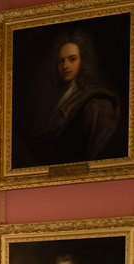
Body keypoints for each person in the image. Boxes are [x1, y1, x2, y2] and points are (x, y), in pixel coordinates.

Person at [33, 28, 121, 165]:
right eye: (61, 61)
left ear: (83, 60)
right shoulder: (63, 95)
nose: (65, 66)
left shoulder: (98, 101)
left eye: (72, 59)